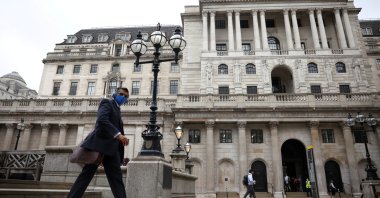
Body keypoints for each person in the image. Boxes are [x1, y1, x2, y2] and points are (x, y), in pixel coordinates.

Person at [67, 87, 130, 198]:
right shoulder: (107, 103)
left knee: (116, 179)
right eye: (121, 94)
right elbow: (102, 120)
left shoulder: (118, 109)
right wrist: (118, 135)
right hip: (99, 147)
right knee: (86, 176)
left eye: (126, 96)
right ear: (115, 94)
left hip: (111, 150)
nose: (123, 97)